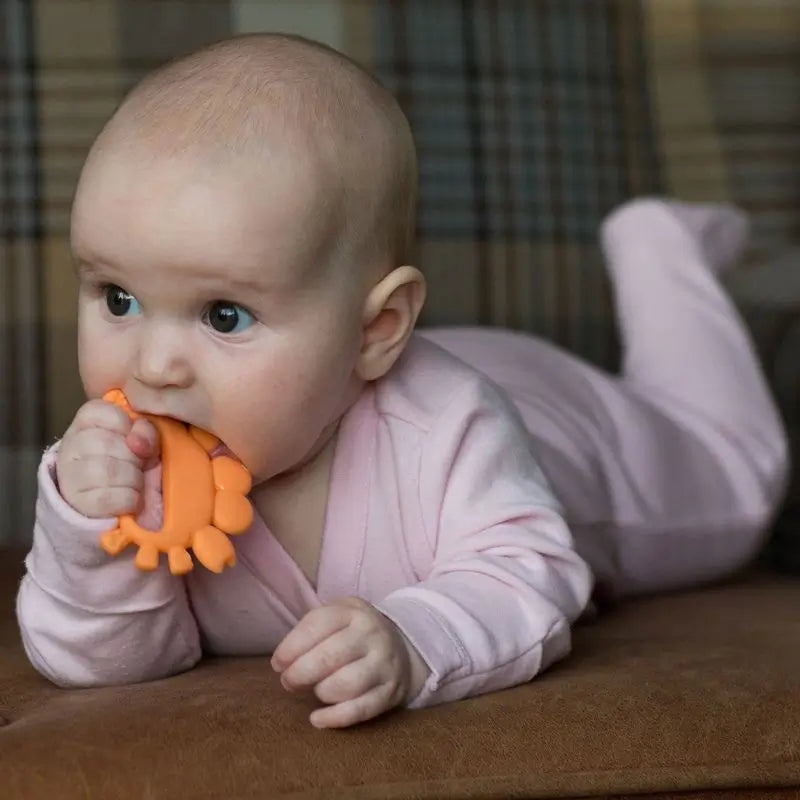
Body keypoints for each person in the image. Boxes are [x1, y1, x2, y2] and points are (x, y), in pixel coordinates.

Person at [16, 33, 788, 729]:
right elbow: (112, 663)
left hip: (561, 424)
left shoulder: (450, 431)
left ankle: (659, 250)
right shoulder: (128, 465)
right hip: (391, 372)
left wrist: (417, 638)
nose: (152, 367)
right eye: (118, 298)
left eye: (224, 316)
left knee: (738, 475)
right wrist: (89, 536)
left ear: (377, 330)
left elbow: (532, 575)